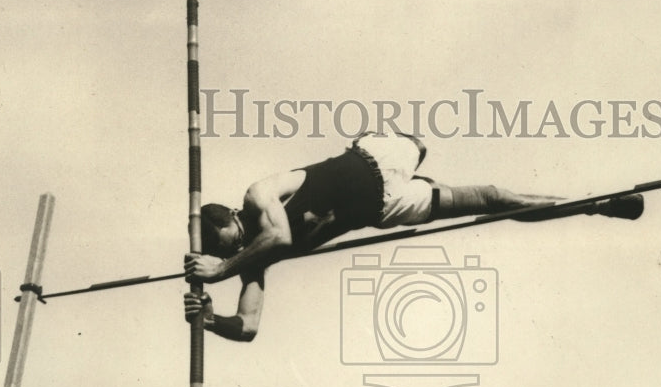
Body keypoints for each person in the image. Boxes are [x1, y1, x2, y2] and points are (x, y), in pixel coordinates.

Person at [183, 131, 559, 341]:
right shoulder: (251, 259)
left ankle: (420, 172)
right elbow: (248, 327)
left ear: (231, 215)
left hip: (375, 160)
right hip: (387, 206)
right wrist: (212, 320)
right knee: (489, 198)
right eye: (221, 249)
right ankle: (592, 205)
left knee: (420, 145)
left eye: (225, 238)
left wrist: (220, 271)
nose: (230, 247)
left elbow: (279, 236)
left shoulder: (258, 194)